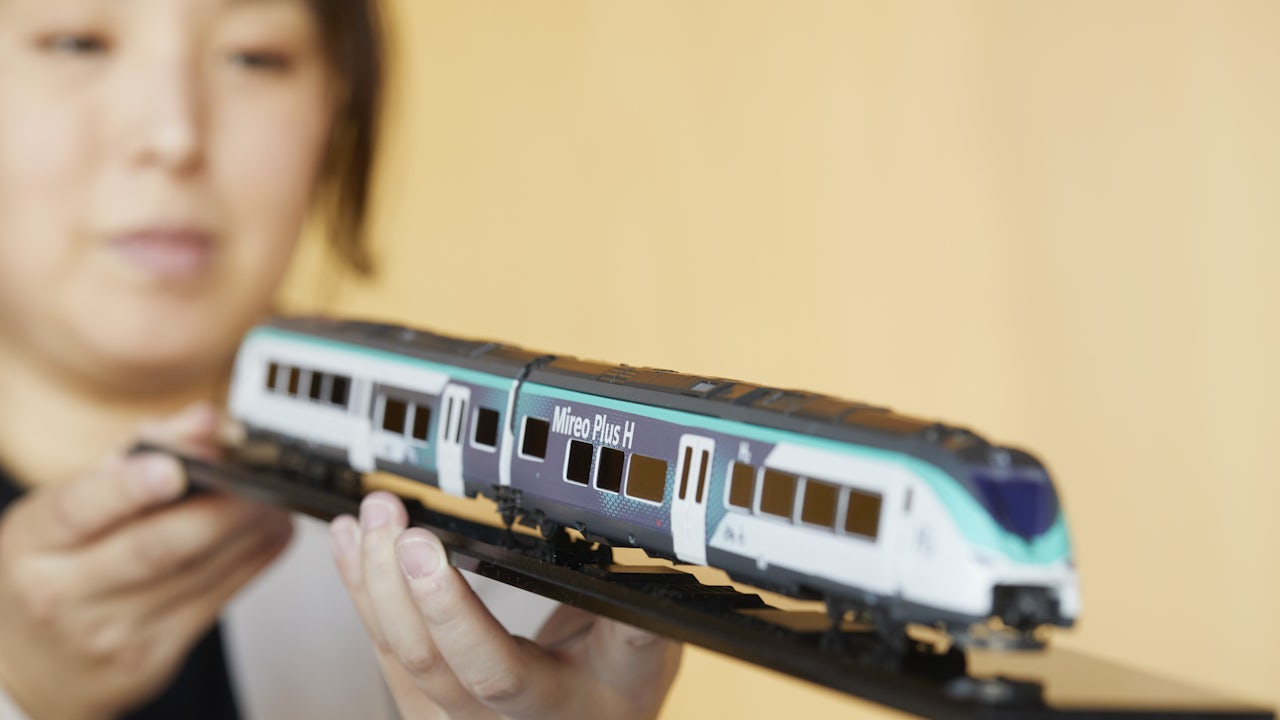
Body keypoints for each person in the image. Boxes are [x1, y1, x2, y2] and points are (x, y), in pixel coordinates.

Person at [0, 1, 682, 718]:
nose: (173, 133)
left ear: (338, 108)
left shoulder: (484, 589)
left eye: (254, 56)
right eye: (74, 42)